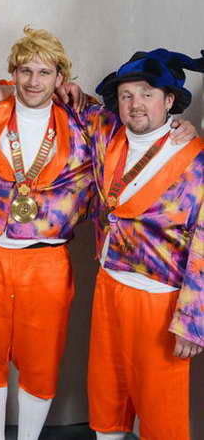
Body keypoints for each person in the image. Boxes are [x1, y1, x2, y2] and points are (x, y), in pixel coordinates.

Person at [0, 27, 97, 440]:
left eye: (44, 72)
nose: (34, 81)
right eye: (25, 71)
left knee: (41, 359)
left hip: (46, 257)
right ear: (13, 73)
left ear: (60, 78)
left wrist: (180, 128)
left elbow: (133, 120)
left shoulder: (82, 122)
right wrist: (2, 90)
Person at [85, 49, 203, 440]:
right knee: (107, 399)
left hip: (159, 300)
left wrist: (191, 323)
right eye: (127, 95)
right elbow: (61, 101)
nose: (135, 104)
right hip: (108, 285)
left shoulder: (195, 162)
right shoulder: (108, 134)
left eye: (147, 93)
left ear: (169, 101)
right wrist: (6, 90)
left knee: (161, 414)